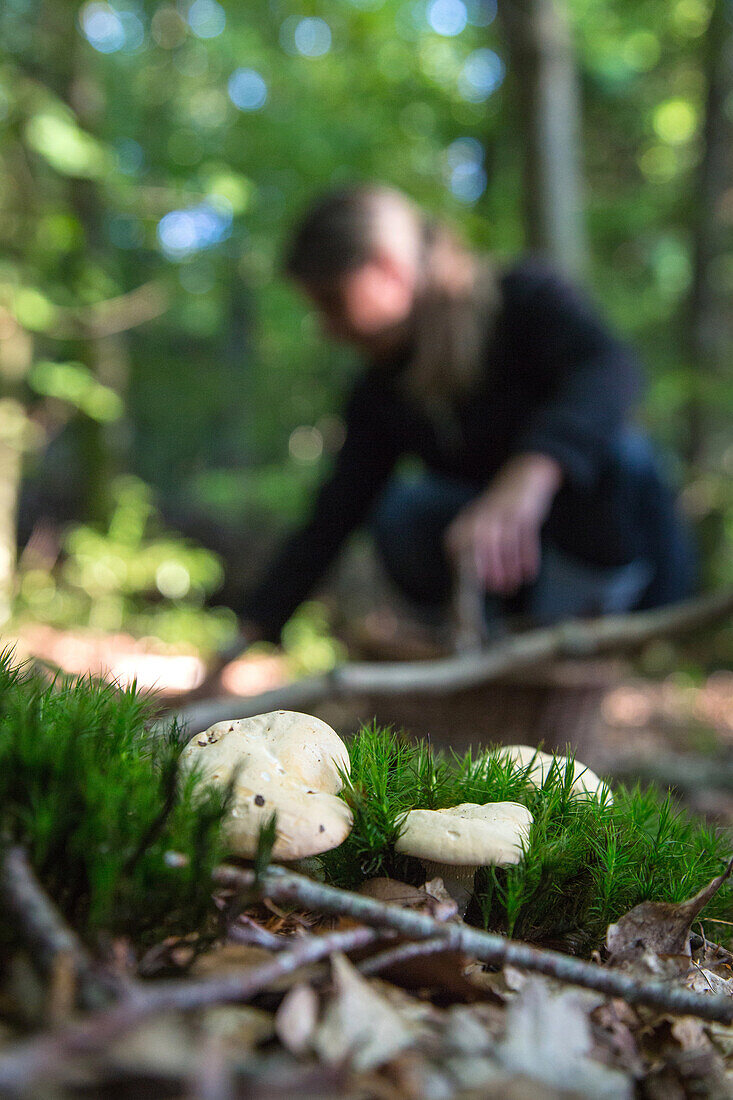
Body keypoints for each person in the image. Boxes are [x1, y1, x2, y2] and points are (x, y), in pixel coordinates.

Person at [226, 183, 696, 658]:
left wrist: (529, 477)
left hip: (618, 553)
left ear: (386, 268)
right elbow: (334, 514)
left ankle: (581, 648)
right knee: (403, 511)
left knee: (619, 455)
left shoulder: (525, 299)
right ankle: (488, 647)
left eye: (331, 301)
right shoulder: (384, 388)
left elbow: (609, 370)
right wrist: (244, 637)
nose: (327, 328)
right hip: (510, 575)